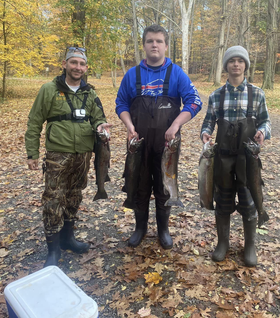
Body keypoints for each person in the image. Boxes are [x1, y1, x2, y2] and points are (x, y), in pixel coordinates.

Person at [115, 24, 202, 249]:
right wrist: (128, 125)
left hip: (167, 144)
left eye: (159, 41)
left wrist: (175, 125)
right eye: (150, 41)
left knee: (165, 186)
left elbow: (195, 101)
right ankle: (140, 228)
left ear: (165, 46)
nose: (154, 45)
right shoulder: (132, 75)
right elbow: (121, 104)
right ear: (144, 45)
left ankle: (163, 229)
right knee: (139, 184)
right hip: (139, 143)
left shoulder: (177, 73)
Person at [25, 47, 112, 267]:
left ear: (86, 67)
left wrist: (102, 127)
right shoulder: (49, 90)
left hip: (83, 155)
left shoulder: (90, 93)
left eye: (82, 64)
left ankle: (68, 239)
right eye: (74, 63)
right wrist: (32, 153)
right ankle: (53, 250)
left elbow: (98, 118)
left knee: (74, 196)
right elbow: (35, 121)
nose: (78, 68)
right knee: (54, 199)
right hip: (57, 155)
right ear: (64, 64)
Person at [200, 45, 271, 267]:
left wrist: (263, 132)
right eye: (232, 61)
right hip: (222, 158)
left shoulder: (257, 93)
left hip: (248, 158)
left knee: (249, 201)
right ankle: (223, 243)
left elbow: (266, 121)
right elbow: (208, 122)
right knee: (222, 200)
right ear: (226, 66)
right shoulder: (216, 96)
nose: (236, 64)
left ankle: (250, 245)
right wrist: (205, 133)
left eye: (240, 61)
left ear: (246, 65)